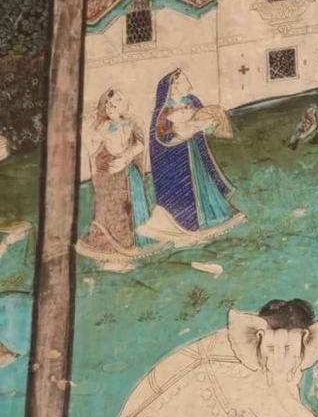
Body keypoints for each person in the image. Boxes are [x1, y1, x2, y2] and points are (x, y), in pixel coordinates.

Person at [137, 69, 244, 246]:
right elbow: (163, 138)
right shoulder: (165, 110)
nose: (189, 85)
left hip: (195, 154)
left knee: (202, 185)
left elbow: (206, 126)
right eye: (185, 81)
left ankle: (207, 221)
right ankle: (186, 230)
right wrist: (187, 130)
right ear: (174, 87)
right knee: (184, 193)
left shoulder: (192, 101)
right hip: (177, 160)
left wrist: (213, 122)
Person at [76, 89, 161, 269]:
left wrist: (126, 157)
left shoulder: (130, 123)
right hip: (106, 178)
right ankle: (109, 257)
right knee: (107, 214)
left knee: (125, 214)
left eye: (117, 102)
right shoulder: (101, 126)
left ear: (125, 104)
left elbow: (138, 145)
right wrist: (89, 130)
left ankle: (124, 257)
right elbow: (92, 151)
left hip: (126, 176)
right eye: (108, 103)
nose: (111, 106)